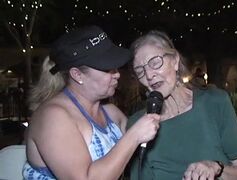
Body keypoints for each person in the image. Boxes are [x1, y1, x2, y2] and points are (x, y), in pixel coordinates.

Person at [22, 25, 160, 180]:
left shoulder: (111, 112)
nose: (117, 74)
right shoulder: (52, 117)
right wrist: (134, 136)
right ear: (77, 74)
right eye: (107, 68)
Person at [128, 30, 237, 180]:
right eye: (140, 71)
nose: (149, 75)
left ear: (175, 60)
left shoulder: (214, 103)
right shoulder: (137, 126)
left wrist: (217, 168)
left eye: (155, 63)